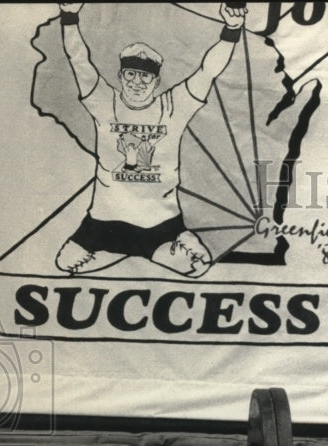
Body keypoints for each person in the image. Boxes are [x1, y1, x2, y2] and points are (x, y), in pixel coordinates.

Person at [54, 2, 247, 277]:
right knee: (64, 264)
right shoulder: (104, 102)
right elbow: (79, 60)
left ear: (156, 82)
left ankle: (175, 240)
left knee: (197, 268)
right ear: (121, 77)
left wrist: (232, 30)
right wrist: (69, 16)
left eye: (145, 76)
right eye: (130, 74)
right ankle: (145, 249)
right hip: (102, 220)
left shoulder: (173, 106)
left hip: (161, 222)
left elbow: (208, 71)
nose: (136, 82)